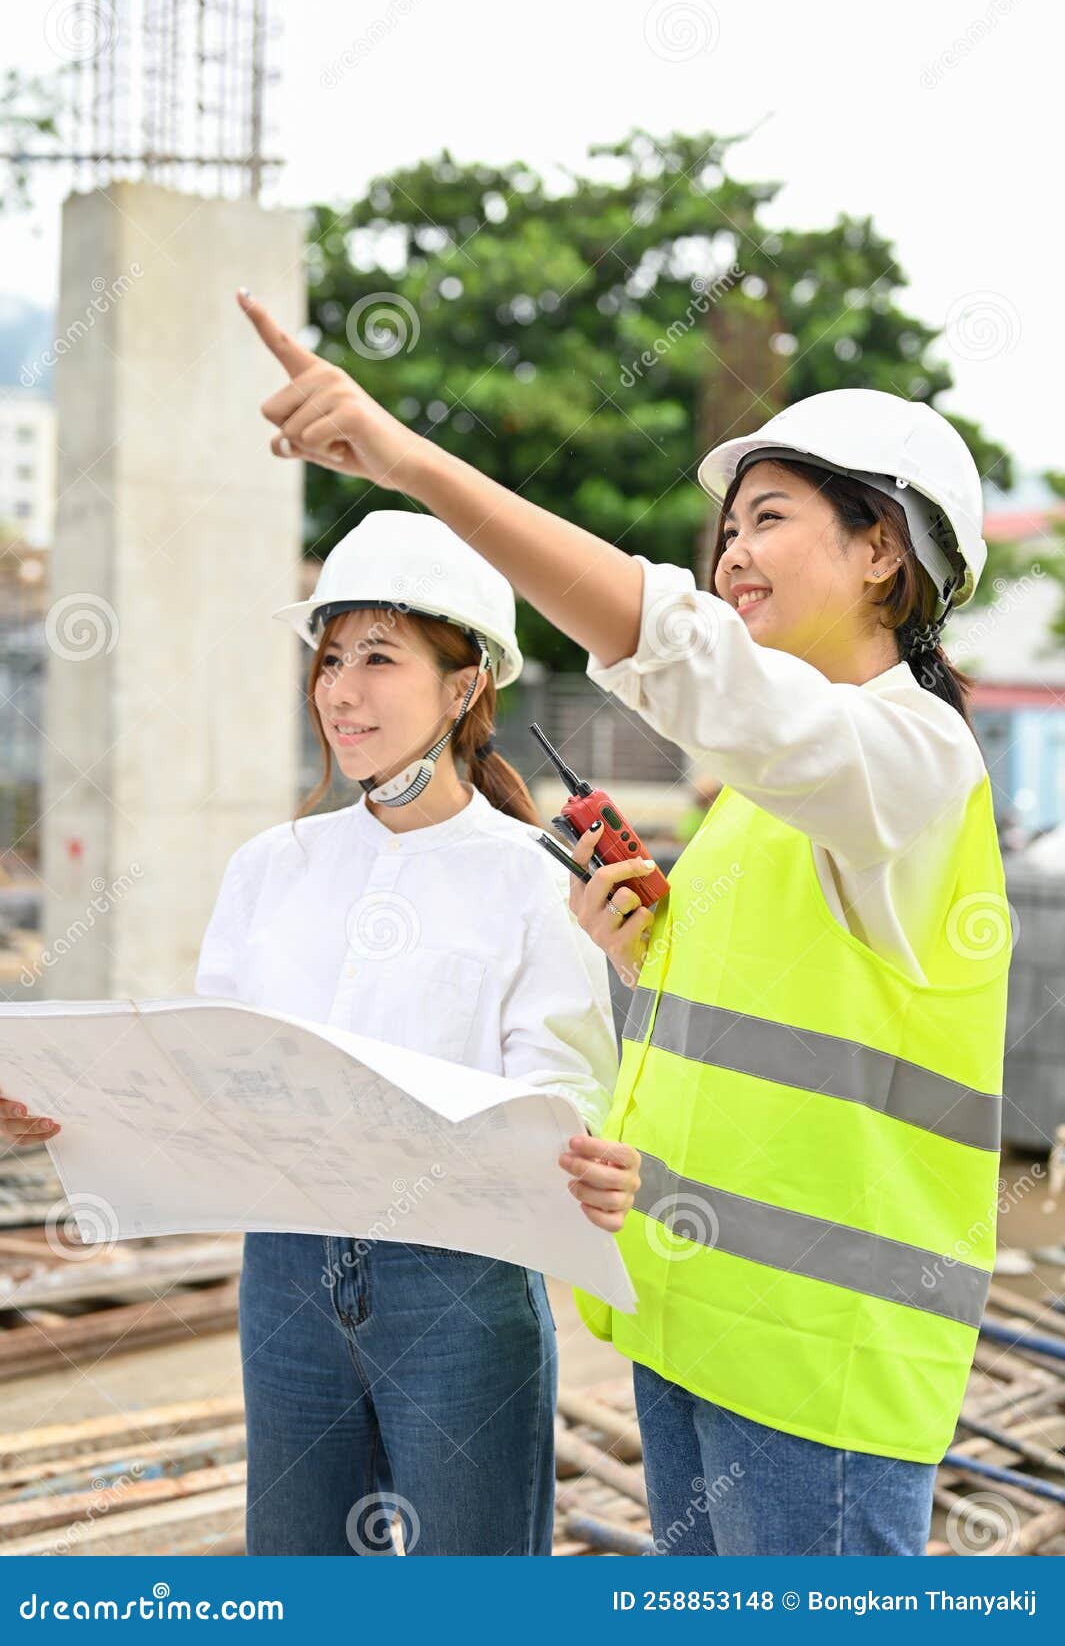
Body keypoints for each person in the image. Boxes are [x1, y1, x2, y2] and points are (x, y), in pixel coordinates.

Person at [233, 287, 1011, 1557]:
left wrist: (417, 464)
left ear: (885, 551)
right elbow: (773, 1045)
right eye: (726, 529)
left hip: (826, 1368)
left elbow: (685, 653)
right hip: (697, 1328)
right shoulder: (765, 808)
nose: (731, 555)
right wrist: (645, 976)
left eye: (770, 518)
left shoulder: (913, 760)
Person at [2, 508, 619, 1558]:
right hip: (285, 1278)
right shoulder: (271, 867)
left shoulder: (532, 878)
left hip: (461, 1282)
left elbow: (563, 1089)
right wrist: (78, 1114)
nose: (342, 689)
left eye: (379, 657)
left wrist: (587, 1155)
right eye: (331, 658)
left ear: (466, 683)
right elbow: (208, 1077)